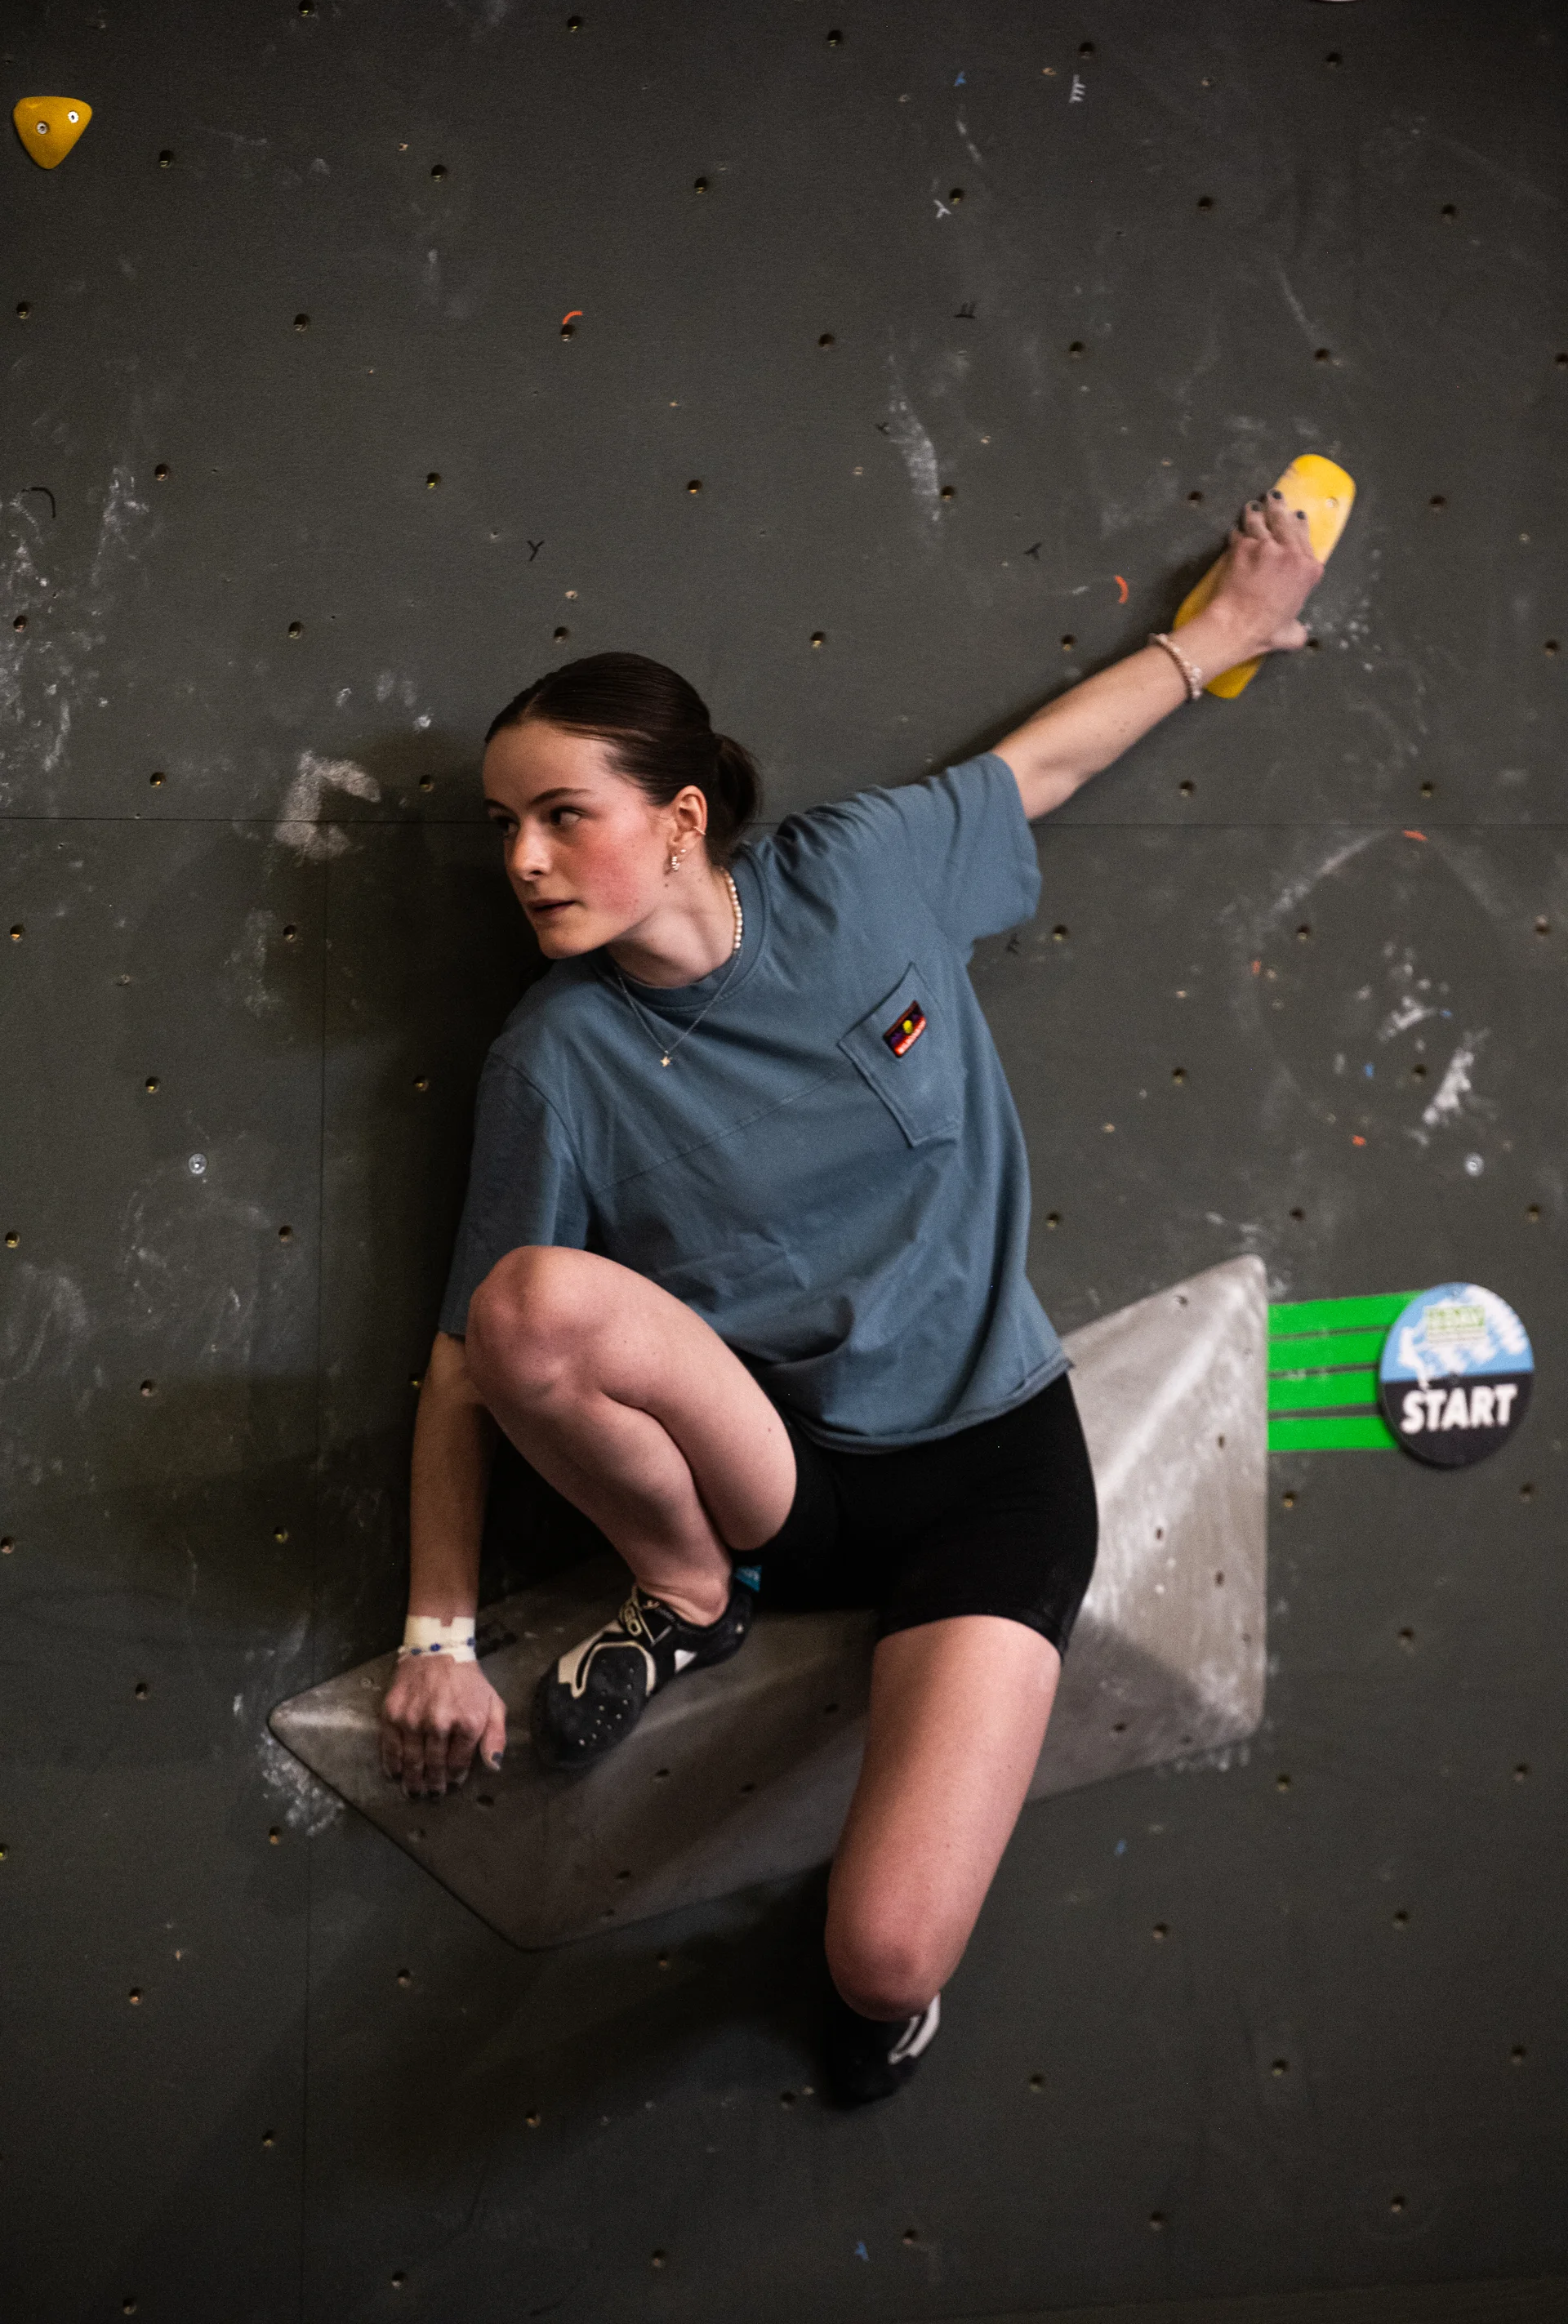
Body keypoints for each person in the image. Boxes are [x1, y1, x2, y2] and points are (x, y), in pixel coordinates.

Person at [379, 490, 1322, 2104]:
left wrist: (1218, 635)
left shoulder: (866, 876)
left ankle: (890, 2001)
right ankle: (690, 1602)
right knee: (531, 1302)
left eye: (560, 815)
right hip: (783, 1484)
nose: (522, 860)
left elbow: (1041, 768)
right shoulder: (556, 1058)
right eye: (503, 825)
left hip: (993, 1477)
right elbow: (473, 1362)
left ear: (681, 816)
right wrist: (436, 1635)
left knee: (883, 1957)